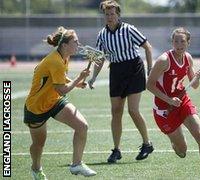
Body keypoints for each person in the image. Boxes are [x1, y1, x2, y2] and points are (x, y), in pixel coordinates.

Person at [146, 27, 200, 180]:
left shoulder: (188, 58)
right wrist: (169, 100)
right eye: (176, 41)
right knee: (182, 151)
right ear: (172, 42)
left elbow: (194, 85)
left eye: (182, 41)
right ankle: (175, 141)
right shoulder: (164, 60)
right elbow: (149, 85)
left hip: (182, 102)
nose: (179, 44)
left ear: (188, 43)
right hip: (164, 109)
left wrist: (197, 77)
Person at [24, 26, 96, 180]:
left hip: (54, 101)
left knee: (82, 126)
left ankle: (76, 164)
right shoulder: (55, 61)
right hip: (37, 107)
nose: (79, 44)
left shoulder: (64, 56)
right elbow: (61, 89)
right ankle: (36, 168)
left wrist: (76, 83)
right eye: (75, 42)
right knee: (39, 145)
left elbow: (61, 77)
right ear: (64, 45)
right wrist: (79, 78)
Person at [88, 0, 154, 163]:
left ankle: (147, 143)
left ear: (118, 15)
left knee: (133, 110)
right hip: (116, 71)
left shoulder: (129, 29)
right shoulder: (102, 35)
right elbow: (99, 58)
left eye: (112, 14)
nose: (109, 17)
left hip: (133, 69)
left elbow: (148, 47)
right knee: (116, 111)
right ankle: (116, 150)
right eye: (107, 14)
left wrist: (150, 69)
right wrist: (93, 77)